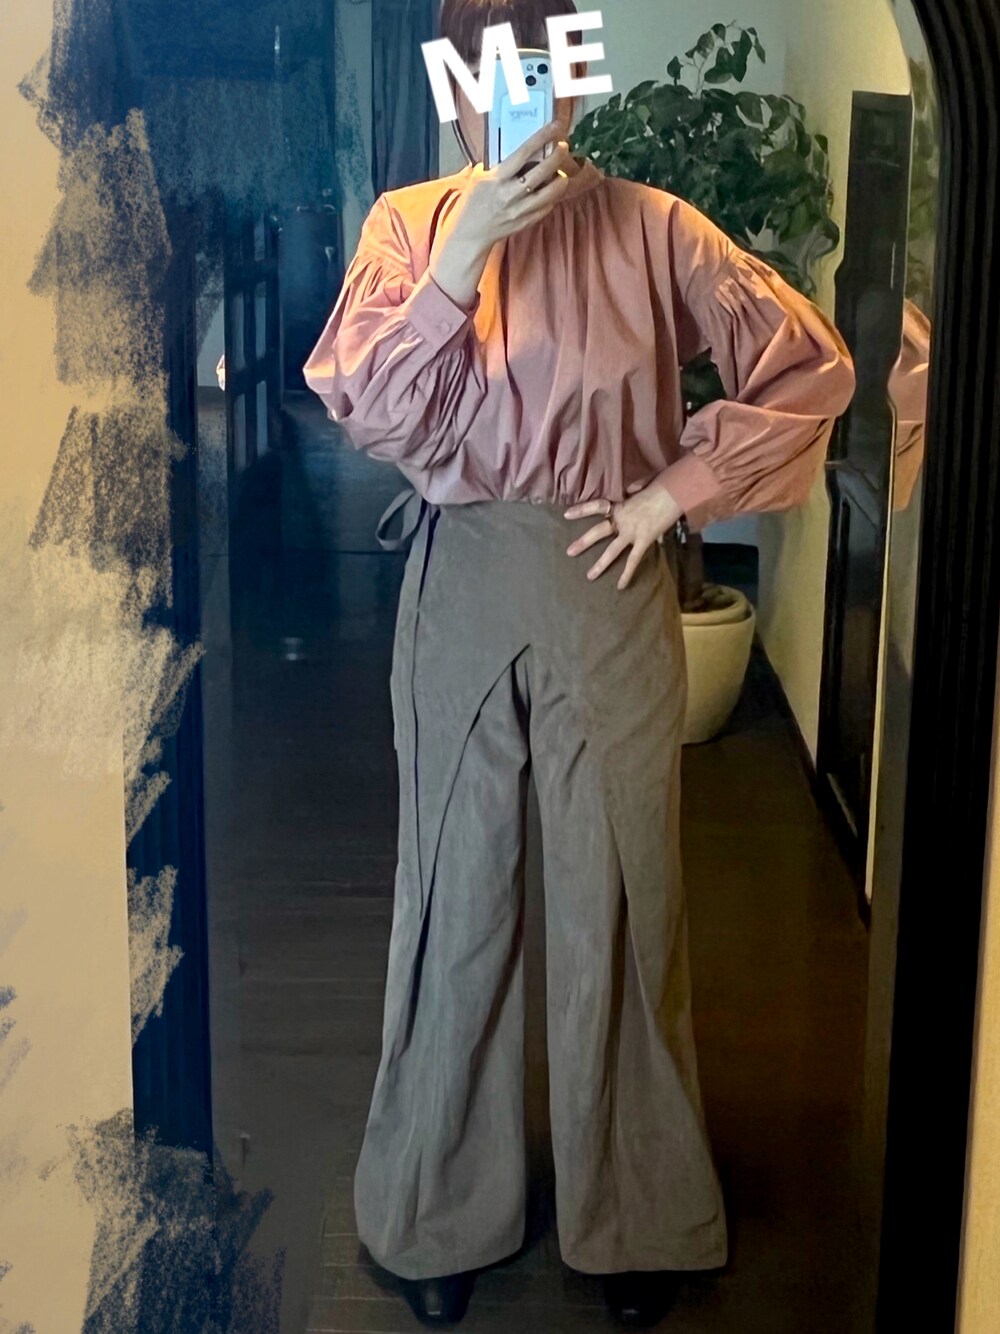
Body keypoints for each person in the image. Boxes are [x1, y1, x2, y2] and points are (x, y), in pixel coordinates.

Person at [303, 1, 856, 1325]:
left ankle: (639, 1214)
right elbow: (366, 407)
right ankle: (438, 1205)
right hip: (461, 575)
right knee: (454, 898)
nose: (514, 94)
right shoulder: (408, 226)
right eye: (486, 68)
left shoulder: (657, 226)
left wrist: (673, 496)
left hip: (611, 580)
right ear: (452, 82)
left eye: (542, 66)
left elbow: (811, 366)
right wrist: (461, 259)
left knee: (621, 894)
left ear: (579, 80)